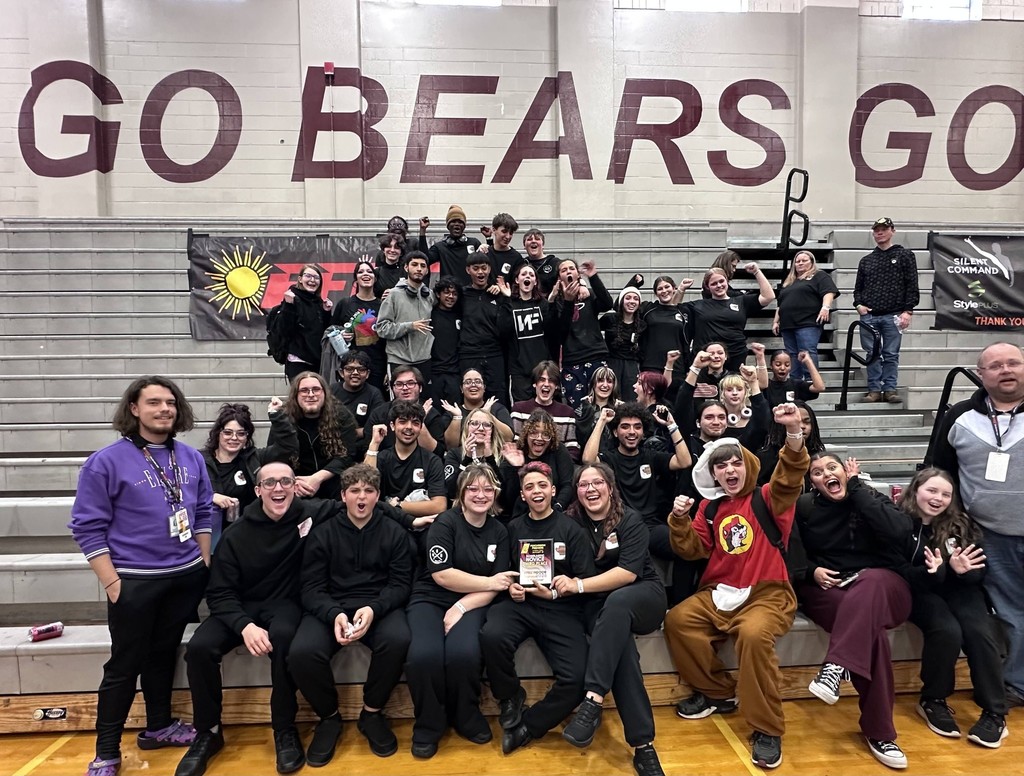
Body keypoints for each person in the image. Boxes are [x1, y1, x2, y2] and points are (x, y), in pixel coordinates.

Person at [69, 376, 214, 776]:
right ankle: (106, 750)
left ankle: (159, 726)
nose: (164, 409)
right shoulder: (106, 461)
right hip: (134, 579)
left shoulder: (190, 457)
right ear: (134, 409)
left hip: (183, 575)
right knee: (124, 665)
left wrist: (201, 561)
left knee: (163, 655)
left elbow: (202, 512)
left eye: (170, 402)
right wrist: (113, 582)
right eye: (154, 402)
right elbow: (86, 526)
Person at [662, 404, 809, 771]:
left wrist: (793, 434)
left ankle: (767, 728)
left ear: (748, 466)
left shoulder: (768, 498)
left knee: (755, 635)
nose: (729, 470)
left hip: (767, 592)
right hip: (719, 592)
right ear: (713, 473)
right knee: (679, 620)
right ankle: (718, 693)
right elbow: (691, 549)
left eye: (735, 463)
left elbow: (791, 475)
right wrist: (679, 520)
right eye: (721, 465)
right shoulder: (709, 510)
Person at [175, 462, 337, 776]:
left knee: (283, 640)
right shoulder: (237, 534)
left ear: (295, 485)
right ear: (258, 490)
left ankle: (284, 729)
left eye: (285, 482)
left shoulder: (309, 513)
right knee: (198, 649)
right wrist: (244, 626)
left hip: (284, 604)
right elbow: (219, 593)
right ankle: (207, 732)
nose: (279, 488)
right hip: (238, 606)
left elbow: (360, 505)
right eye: (271, 482)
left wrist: (410, 518)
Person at [795, 453, 914, 770]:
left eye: (832, 467)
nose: (826, 474)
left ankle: (834, 666)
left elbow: (901, 533)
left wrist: (858, 487)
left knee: (870, 582)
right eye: (817, 472)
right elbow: (790, 555)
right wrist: (811, 571)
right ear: (813, 483)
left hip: (883, 584)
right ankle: (881, 733)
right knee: (869, 633)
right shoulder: (805, 509)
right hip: (829, 587)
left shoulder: (870, 497)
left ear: (847, 471)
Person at [289, 465, 413, 763]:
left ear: (378, 496)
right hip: (331, 606)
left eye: (368, 491)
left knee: (398, 640)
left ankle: (371, 713)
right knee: (301, 652)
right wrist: (334, 615)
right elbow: (310, 588)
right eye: (355, 491)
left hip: (378, 606)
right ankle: (329, 717)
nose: (361, 497)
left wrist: (374, 609)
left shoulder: (393, 532)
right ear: (343, 495)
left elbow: (400, 585)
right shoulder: (322, 534)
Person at [928, 341, 1024, 710]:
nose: (1005, 370)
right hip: (989, 534)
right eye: (995, 365)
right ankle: (1016, 684)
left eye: (1013, 362)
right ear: (981, 374)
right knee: (1012, 612)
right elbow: (940, 472)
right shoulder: (959, 417)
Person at [557, 463, 668, 776]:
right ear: (576, 491)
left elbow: (627, 574)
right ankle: (644, 747)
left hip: (643, 594)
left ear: (610, 487)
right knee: (623, 656)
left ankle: (592, 700)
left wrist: (578, 584)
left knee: (618, 601)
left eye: (598, 483)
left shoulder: (630, 519)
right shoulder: (569, 523)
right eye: (583, 484)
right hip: (598, 605)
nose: (591, 489)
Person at [479, 462, 598, 755]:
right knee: (491, 634)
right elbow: (503, 572)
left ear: (553, 490)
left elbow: (586, 579)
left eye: (542, 485)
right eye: (530, 487)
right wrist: (512, 588)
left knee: (578, 677)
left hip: (561, 608)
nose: (537, 491)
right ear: (522, 495)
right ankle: (510, 696)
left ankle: (528, 727)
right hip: (520, 605)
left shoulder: (572, 530)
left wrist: (560, 590)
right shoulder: (512, 528)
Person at [405, 465, 515, 757]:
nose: (481, 495)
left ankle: (465, 716)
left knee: (463, 653)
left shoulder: (500, 531)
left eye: (488, 489)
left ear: (496, 494)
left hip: (473, 601)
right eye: (473, 489)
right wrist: (488, 581)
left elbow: (499, 584)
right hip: (429, 597)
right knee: (423, 655)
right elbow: (442, 574)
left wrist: (462, 605)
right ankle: (429, 724)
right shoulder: (445, 522)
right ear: (461, 493)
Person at [897, 468, 1009, 747]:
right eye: (932, 491)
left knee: (979, 632)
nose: (938, 498)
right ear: (916, 490)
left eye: (946, 494)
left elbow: (977, 572)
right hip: (922, 590)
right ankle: (933, 699)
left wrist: (960, 571)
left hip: (961, 589)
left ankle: (995, 713)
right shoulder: (899, 523)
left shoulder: (961, 524)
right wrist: (937, 571)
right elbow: (901, 574)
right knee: (947, 630)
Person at [200, 399, 296, 548]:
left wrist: (276, 415)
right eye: (227, 432)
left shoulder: (254, 458)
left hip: (246, 536)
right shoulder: (199, 460)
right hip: (209, 538)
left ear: (247, 438)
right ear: (218, 434)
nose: (234, 438)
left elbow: (287, 446)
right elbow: (183, 492)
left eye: (240, 434)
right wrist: (210, 497)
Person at [853, 217, 919, 403]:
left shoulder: (905, 255)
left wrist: (908, 311)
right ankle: (874, 388)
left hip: (894, 314)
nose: (880, 233)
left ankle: (889, 388)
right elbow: (858, 287)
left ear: (892, 231)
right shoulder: (866, 260)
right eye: (876, 230)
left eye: (883, 229)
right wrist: (858, 305)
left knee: (891, 353)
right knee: (872, 353)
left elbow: (911, 284)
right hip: (870, 314)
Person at [269, 371, 356, 500]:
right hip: (296, 484)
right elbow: (274, 456)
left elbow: (347, 455)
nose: (310, 395)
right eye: (304, 390)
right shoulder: (284, 418)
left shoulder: (341, 415)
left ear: (324, 393)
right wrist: (293, 482)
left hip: (334, 481)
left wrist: (317, 478)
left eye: (316, 389)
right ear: (296, 395)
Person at [365, 401, 448, 533]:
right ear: (392, 425)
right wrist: (374, 443)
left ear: (421, 427)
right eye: (403, 422)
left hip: (422, 527)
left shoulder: (432, 461)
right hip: (387, 524)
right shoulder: (382, 458)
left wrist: (397, 505)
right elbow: (364, 487)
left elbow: (439, 506)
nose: (409, 427)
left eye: (415, 423)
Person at [686, 264, 774, 372]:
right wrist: (681, 289)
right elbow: (673, 308)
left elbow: (768, 296)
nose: (719, 285)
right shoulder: (697, 305)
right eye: (714, 283)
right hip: (707, 358)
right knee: (707, 389)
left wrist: (757, 272)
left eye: (721, 281)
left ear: (727, 281)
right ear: (708, 287)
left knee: (734, 387)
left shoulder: (741, 301)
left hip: (735, 356)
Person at [553, 258, 614, 408]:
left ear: (577, 274)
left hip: (596, 356)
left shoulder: (588, 294)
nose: (568, 271)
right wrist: (568, 301)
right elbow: (560, 332)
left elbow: (607, 303)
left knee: (602, 404)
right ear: (559, 277)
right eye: (564, 270)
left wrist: (593, 276)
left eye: (571, 268)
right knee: (578, 409)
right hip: (572, 361)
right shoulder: (556, 302)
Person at [772, 251, 839, 381]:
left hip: (807, 322)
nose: (800, 263)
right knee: (792, 355)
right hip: (787, 324)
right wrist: (776, 321)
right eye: (797, 261)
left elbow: (829, 292)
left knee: (806, 352)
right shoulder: (789, 282)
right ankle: (795, 383)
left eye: (804, 260)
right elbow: (780, 304)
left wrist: (825, 308)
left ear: (812, 262)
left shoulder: (819, 276)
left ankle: (811, 382)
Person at [498, 409, 575, 520]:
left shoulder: (558, 450)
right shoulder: (515, 453)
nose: (539, 438)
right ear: (526, 434)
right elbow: (508, 500)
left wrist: (558, 507)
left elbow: (567, 485)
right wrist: (517, 468)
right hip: (521, 517)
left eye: (545, 434)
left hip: (554, 512)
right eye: (534, 433)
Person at [497, 263, 557, 402]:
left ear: (535, 281)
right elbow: (503, 331)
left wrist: (552, 302)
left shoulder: (542, 303)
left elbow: (552, 331)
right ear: (517, 280)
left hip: (542, 369)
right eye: (524, 274)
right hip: (519, 370)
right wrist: (507, 299)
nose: (527, 277)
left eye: (531, 275)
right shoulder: (509, 303)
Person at [376, 250, 435, 386]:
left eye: (423, 266)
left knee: (422, 404)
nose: (419, 269)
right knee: (399, 406)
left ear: (427, 270)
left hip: (424, 360)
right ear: (406, 267)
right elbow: (381, 328)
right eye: (414, 264)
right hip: (399, 360)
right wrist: (409, 326)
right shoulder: (394, 295)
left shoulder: (429, 295)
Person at [363, 366, 447, 455]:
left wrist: (421, 421)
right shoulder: (379, 413)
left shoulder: (431, 413)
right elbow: (366, 449)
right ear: (392, 389)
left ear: (420, 387)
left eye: (410, 383)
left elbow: (437, 452)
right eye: (399, 384)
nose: (405, 388)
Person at [332, 259, 387, 394]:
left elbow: (389, 339)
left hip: (378, 366)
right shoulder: (345, 304)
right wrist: (340, 336)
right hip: (351, 367)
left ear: (375, 278)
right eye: (360, 271)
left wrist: (388, 370)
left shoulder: (383, 305)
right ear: (356, 279)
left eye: (369, 271)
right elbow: (330, 332)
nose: (365, 274)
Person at [460, 253, 507, 405]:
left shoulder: (498, 295)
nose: (480, 272)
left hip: (494, 354)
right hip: (469, 354)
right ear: (468, 270)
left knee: (497, 398)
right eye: (476, 268)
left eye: (484, 268)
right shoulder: (462, 295)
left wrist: (502, 293)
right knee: (470, 398)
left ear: (489, 269)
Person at [510, 360, 580, 461]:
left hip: (557, 467)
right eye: (542, 380)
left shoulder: (567, 412)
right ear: (535, 384)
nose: (546, 384)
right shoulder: (519, 409)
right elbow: (517, 444)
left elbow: (572, 449)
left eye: (551, 380)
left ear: (556, 386)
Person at [278, 264, 333, 382]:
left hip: (317, 359)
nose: (312, 280)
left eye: (316, 277)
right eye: (308, 276)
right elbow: (284, 329)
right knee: (301, 396)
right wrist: (288, 306)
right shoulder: (292, 298)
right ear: (300, 279)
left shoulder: (318, 302)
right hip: (298, 360)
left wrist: (326, 312)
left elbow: (324, 331)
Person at [440, 367, 514, 451]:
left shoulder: (497, 409)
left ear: (484, 387)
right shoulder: (452, 413)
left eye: (478, 381)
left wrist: (487, 415)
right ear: (461, 388)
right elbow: (450, 446)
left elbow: (508, 439)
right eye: (468, 382)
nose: (473, 384)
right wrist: (457, 418)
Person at [330, 350, 386, 460]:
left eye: (361, 370)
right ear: (341, 372)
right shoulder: (331, 391)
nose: (355, 373)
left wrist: (349, 433)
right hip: (334, 445)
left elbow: (376, 427)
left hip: (362, 447)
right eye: (350, 369)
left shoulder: (374, 394)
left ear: (368, 374)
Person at [442, 408, 506, 500]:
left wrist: (490, 458)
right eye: (474, 423)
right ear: (467, 427)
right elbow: (452, 493)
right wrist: (467, 458)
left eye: (487, 425)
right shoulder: (454, 454)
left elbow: (503, 496)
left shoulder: (502, 455)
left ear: (493, 430)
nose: (480, 428)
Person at [639, 275, 692, 385]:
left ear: (673, 288)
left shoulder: (684, 312)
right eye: (660, 289)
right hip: (651, 366)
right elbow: (620, 305)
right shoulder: (648, 309)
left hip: (677, 368)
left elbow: (686, 340)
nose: (664, 291)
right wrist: (635, 282)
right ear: (655, 293)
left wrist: (688, 367)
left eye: (667, 287)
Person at [757, 400, 826, 486]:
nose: (802, 426)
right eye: (796, 422)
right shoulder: (766, 457)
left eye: (807, 422)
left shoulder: (819, 454)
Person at [417, 204, 482, 286]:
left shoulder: (474, 243)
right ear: (448, 226)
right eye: (453, 221)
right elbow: (424, 259)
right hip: (449, 294)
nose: (457, 224)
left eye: (460, 222)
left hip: (470, 293)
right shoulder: (440, 247)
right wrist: (422, 231)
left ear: (464, 226)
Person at [601, 282, 645, 401]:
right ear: (621, 301)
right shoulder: (610, 319)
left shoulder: (643, 325)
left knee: (630, 399)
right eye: (628, 298)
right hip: (612, 364)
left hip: (631, 366)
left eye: (636, 299)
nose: (632, 301)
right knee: (610, 398)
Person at [429, 276, 462, 405]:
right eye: (447, 292)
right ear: (438, 294)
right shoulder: (430, 315)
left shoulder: (461, 314)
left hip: (455, 374)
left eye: (454, 293)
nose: (451, 296)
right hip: (434, 373)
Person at [574, 366, 620, 453]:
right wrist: (588, 410)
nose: (605, 385)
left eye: (609, 381)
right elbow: (580, 438)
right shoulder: (582, 408)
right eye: (600, 380)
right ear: (593, 384)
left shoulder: (619, 408)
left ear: (614, 385)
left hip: (612, 460)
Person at [511, 227, 560, 296]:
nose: (533, 241)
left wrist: (581, 284)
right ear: (524, 246)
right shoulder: (520, 264)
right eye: (529, 239)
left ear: (543, 245)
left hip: (550, 304)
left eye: (537, 239)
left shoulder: (555, 263)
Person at [372, 232, 407, 299]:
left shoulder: (407, 272)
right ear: (383, 250)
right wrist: (381, 299)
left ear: (401, 252)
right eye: (389, 246)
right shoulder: (376, 273)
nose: (392, 250)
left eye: (396, 247)